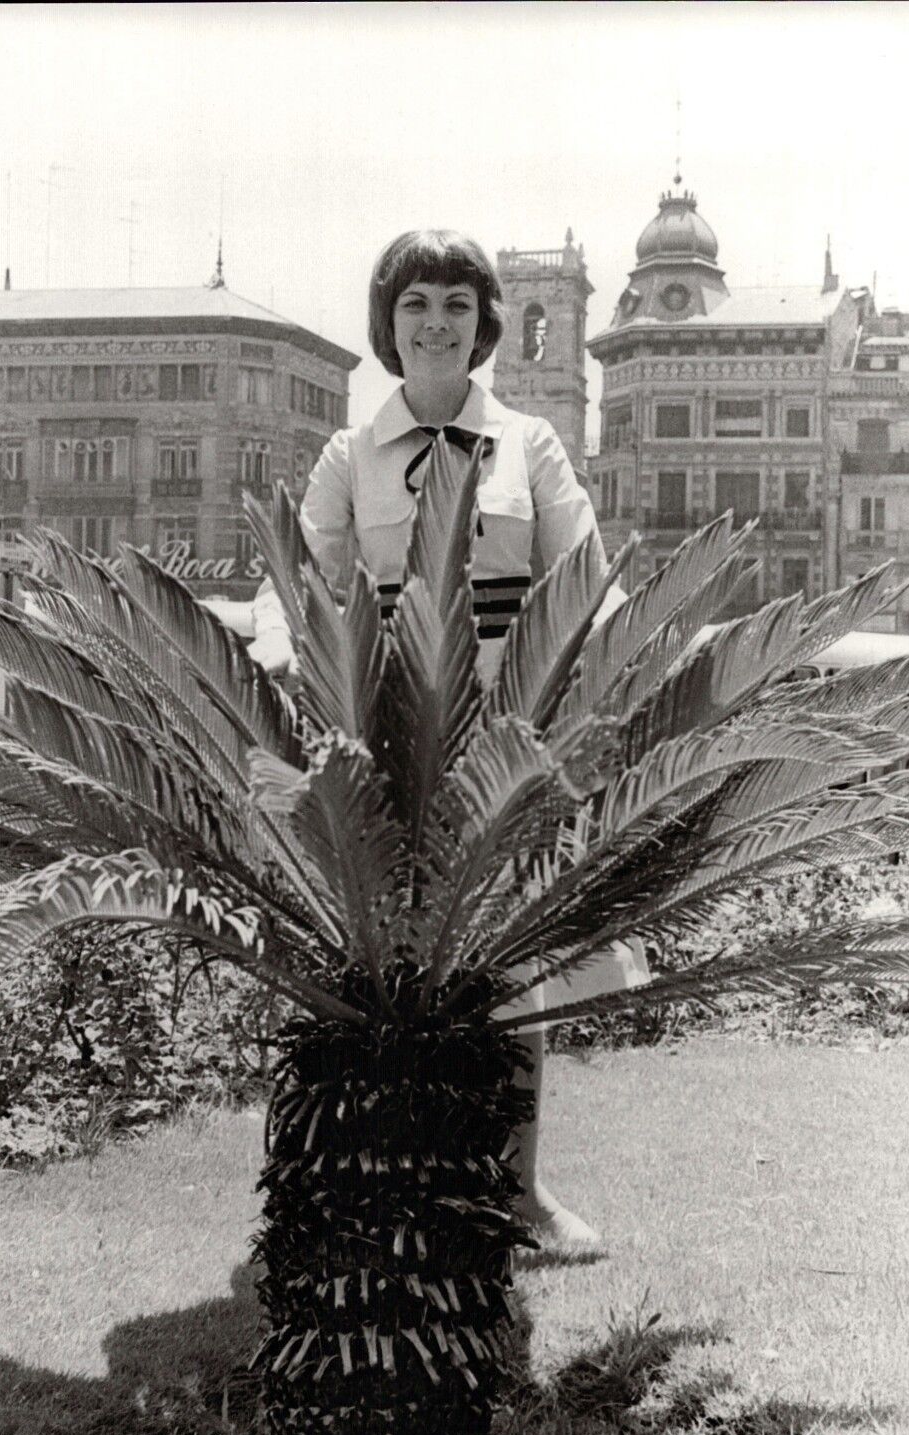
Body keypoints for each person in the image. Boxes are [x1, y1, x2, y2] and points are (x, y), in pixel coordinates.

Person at [251, 228, 639, 1247]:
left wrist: (586, 705)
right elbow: (286, 584)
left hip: (502, 757)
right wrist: (279, 675)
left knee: (515, 983)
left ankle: (519, 1191)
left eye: (456, 306)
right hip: (378, 762)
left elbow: (589, 585)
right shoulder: (347, 456)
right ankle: (366, 1200)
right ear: (388, 320)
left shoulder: (530, 448)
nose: (435, 321)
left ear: (483, 327)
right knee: (373, 981)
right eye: (416, 302)